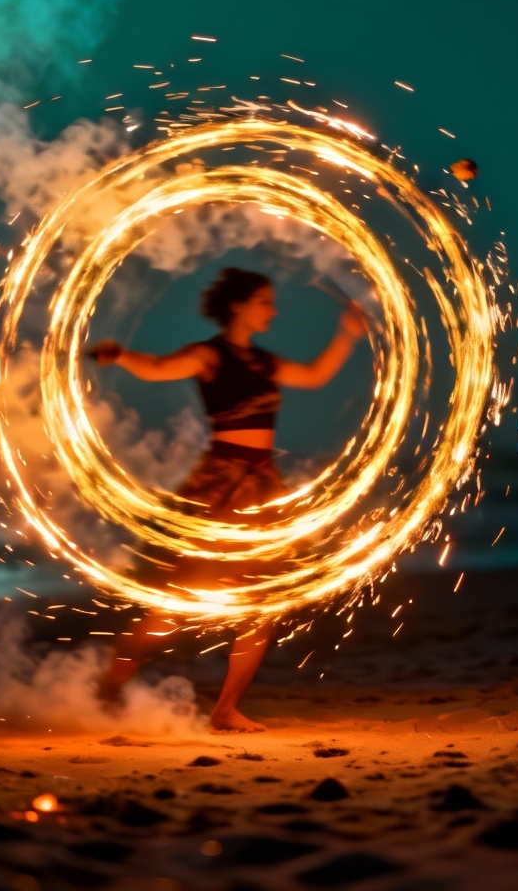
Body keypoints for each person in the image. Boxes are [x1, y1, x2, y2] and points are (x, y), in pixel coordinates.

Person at [89, 267, 365, 731]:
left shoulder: (265, 362)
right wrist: (119, 355)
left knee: (261, 603)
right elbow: (157, 368)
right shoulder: (208, 355)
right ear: (238, 305)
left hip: (262, 487)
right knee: (178, 603)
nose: (273, 311)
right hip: (221, 486)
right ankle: (111, 683)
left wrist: (347, 334)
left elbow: (316, 376)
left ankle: (226, 710)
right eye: (265, 301)